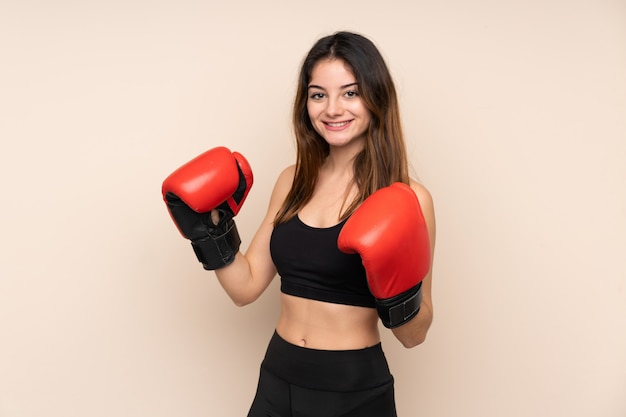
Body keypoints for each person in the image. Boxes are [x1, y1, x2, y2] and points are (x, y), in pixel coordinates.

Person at [162, 31, 436, 417]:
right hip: (278, 376)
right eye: (318, 94)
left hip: (352, 389)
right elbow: (245, 287)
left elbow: (415, 335)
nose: (333, 109)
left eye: (350, 93)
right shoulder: (293, 180)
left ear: (377, 98)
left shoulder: (409, 199)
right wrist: (210, 231)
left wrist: (398, 296)